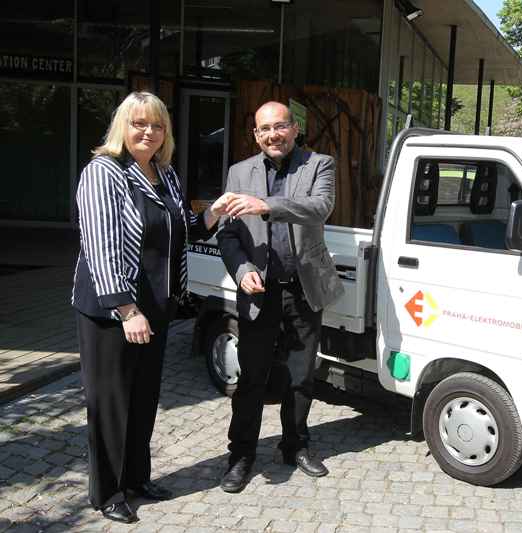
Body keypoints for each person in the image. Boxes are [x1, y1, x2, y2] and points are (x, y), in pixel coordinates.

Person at [72, 91, 231, 523]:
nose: (149, 132)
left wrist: (213, 213)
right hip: (113, 312)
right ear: (123, 126)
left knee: (144, 399)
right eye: (139, 123)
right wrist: (127, 309)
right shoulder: (104, 172)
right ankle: (108, 493)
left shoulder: (165, 174)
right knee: (112, 402)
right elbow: (101, 248)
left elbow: (182, 232)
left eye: (157, 125)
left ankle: (137, 479)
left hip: (157, 309)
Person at [216, 101, 344, 492]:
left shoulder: (318, 164)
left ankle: (296, 446)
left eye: (281, 126)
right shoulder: (239, 172)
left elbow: (320, 207)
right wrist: (241, 270)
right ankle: (241, 456)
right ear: (256, 135)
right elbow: (227, 233)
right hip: (258, 295)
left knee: (301, 378)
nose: (273, 134)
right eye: (265, 129)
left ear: (295, 128)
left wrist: (266, 205)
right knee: (252, 379)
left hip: (303, 291)